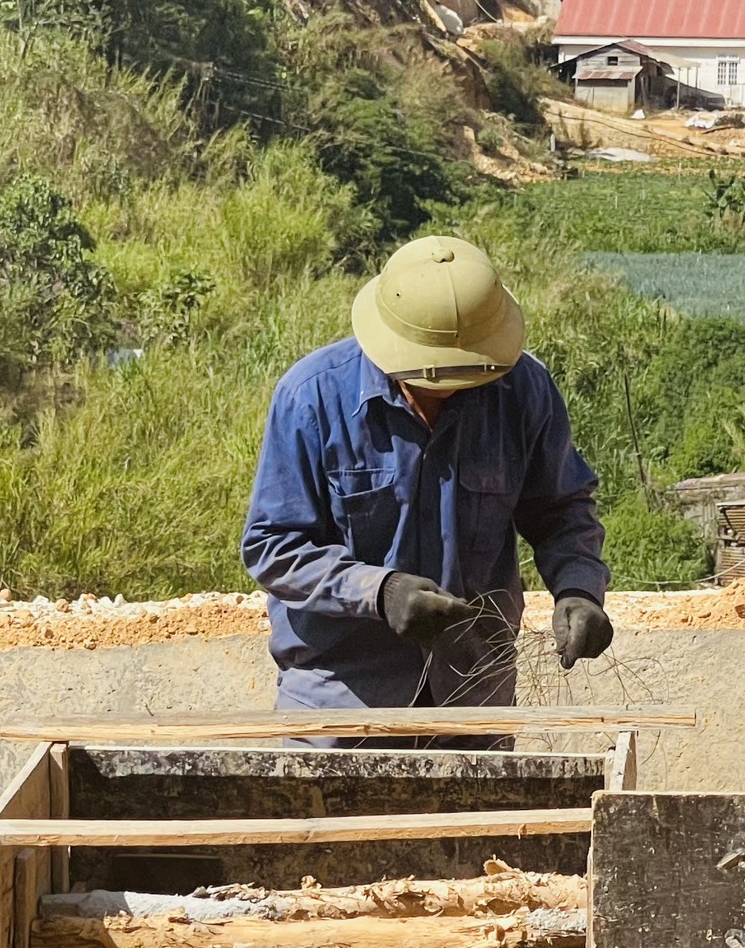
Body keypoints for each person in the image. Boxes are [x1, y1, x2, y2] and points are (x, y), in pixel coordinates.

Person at [241, 235, 613, 730]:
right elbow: (274, 546)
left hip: (475, 695)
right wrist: (378, 590)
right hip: (339, 700)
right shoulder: (311, 398)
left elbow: (561, 511)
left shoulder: (523, 390)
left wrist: (579, 590)